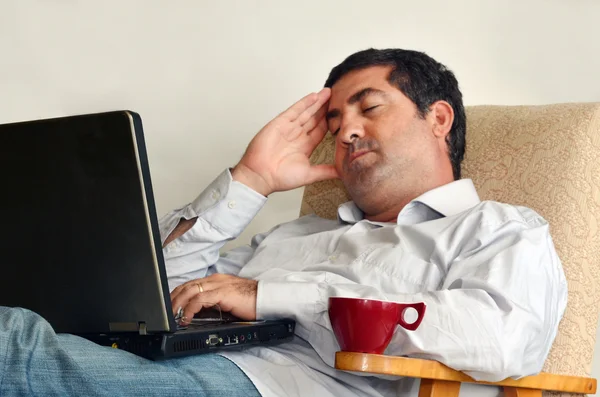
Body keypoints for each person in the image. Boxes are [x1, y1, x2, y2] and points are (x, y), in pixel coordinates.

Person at [0, 48, 567, 397]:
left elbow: (499, 340)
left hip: (285, 388)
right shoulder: (296, 237)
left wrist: (273, 296)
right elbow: (143, 292)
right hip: (182, 367)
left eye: (368, 109)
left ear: (437, 117)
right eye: (335, 119)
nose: (345, 131)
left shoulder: (501, 229)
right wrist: (250, 180)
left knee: (14, 343)